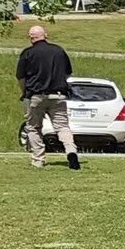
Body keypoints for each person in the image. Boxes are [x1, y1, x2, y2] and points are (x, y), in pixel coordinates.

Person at [16, 23, 79, 171]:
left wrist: (25, 91)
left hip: (36, 96)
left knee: (33, 128)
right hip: (58, 95)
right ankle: (71, 151)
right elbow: (68, 73)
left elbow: (20, 76)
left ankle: (38, 159)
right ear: (46, 35)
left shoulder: (28, 53)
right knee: (62, 126)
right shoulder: (59, 51)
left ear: (31, 38)